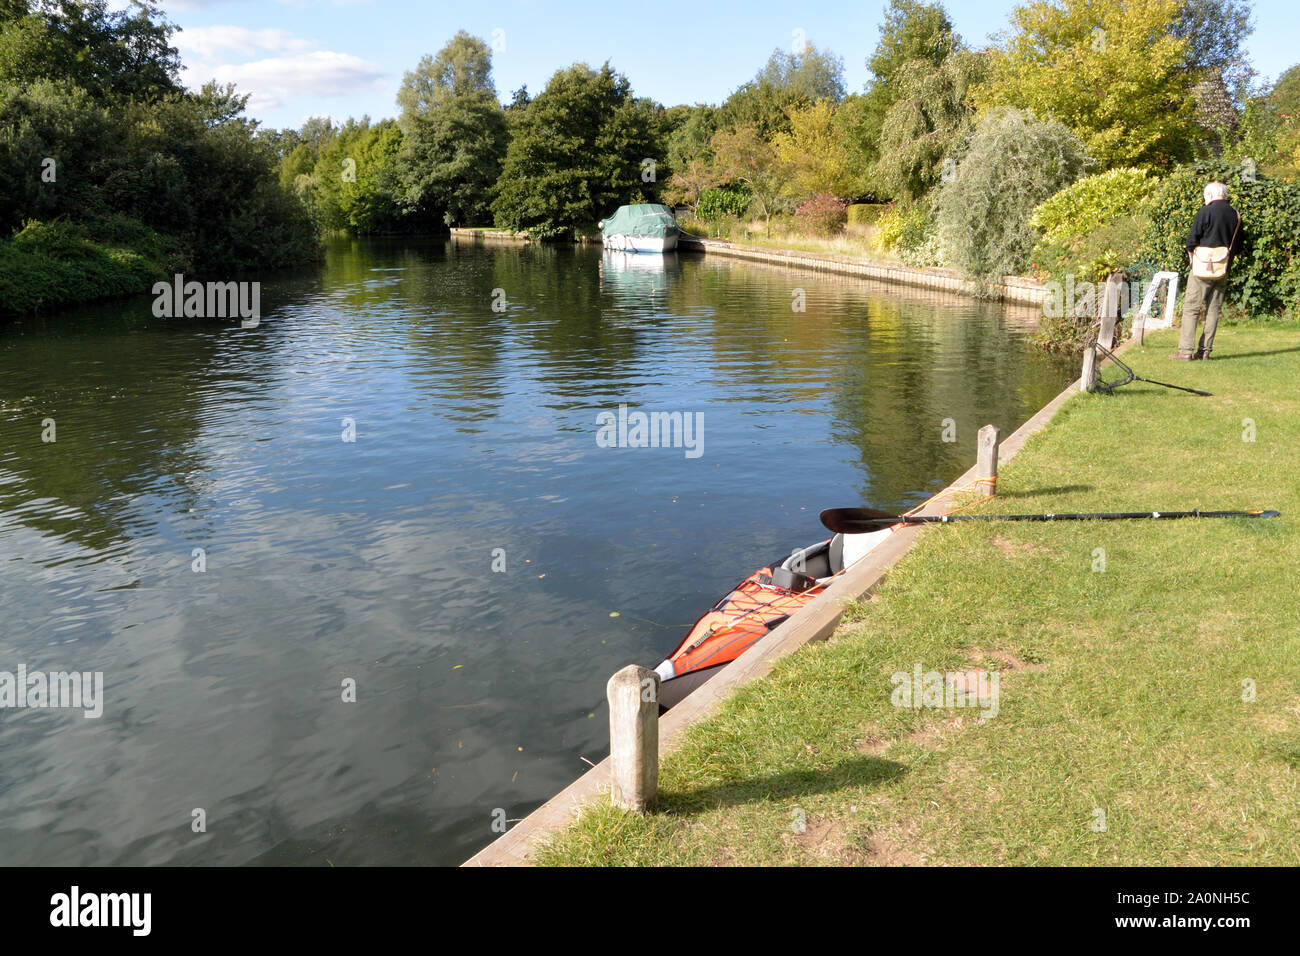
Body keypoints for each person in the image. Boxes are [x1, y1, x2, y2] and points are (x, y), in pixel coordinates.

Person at [1173, 182, 1243, 360]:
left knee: (1191, 309)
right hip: (1223, 268)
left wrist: (1191, 254)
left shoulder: (1205, 211)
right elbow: (1238, 245)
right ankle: (1205, 351)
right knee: (1213, 310)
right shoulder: (1235, 214)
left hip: (1201, 268)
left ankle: (1186, 351)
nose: (1205, 200)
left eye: (1205, 197)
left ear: (1210, 195)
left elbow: (1191, 240)